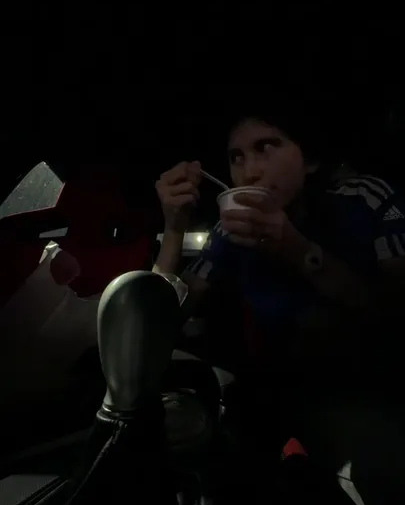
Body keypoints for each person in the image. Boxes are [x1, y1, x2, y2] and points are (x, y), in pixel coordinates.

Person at [154, 93, 405, 378]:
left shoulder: (366, 200)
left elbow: (394, 316)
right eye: (237, 157)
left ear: (310, 160)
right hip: (275, 387)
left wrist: (297, 250)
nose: (249, 173)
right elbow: (161, 321)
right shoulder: (232, 230)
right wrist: (174, 229)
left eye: (265, 148)